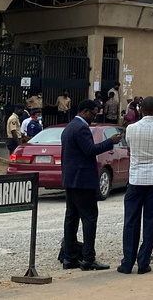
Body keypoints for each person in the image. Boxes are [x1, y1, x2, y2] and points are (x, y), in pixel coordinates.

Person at [61, 99, 121, 271]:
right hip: (83, 181)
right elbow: (89, 150)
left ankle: (70, 258)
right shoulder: (81, 128)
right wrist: (110, 142)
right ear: (85, 111)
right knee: (89, 218)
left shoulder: (69, 127)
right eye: (93, 114)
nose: (94, 117)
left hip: (71, 179)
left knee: (71, 219)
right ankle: (88, 258)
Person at [119, 96, 153, 274]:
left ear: (140, 110)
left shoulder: (131, 128)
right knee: (151, 221)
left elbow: (129, 145)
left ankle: (127, 263)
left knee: (131, 221)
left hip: (135, 179)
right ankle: (143, 262)